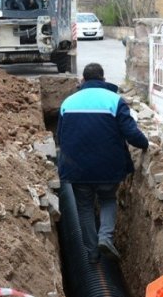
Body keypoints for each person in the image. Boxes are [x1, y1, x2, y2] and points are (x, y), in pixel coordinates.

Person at [56, 63, 149, 263]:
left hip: (77, 169)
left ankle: (91, 252)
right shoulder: (114, 101)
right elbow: (131, 133)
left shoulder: (68, 103)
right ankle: (105, 238)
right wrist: (145, 144)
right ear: (103, 79)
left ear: (83, 80)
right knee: (107, 199)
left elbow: (60, 138)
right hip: (109, 167)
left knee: (85, 207)